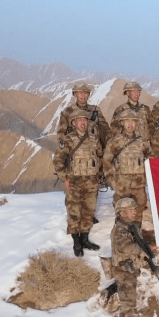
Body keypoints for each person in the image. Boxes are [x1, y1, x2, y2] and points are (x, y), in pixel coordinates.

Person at [53, 109, 103, 257]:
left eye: (85, 120)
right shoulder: (68, 140)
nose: (83, 123)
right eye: (79, 120)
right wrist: (65, 179)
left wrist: (98, 176)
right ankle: (76, 242)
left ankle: (85, 239)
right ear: (74, 123)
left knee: (89, 212)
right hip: (74, 183)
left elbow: (100, 158)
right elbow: (58, 161)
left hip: (91, 183)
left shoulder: (94, 139)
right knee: (74, 213)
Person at [110, 197, 157, 317]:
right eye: (130, 210)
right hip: (123, 271)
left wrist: (147, 248)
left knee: (129, 298)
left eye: (134, 209)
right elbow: (126, 246)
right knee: (128, 303)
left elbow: (137, 242)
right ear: (122, 213)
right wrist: (141, 251)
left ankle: (114, 287)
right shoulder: (119, 230)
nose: (134, 212)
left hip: (129, 270)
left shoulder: (130, 226)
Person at [103, 110, 151, 219]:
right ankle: (123, 234)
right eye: (127, 121)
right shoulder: (114, 141)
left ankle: (137, 234)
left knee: (139, 211)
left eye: (132, 121)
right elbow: (107, 162)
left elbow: (150, 159)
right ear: (122, 123)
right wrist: (111, 180)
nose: (130, 124)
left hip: (139, 185)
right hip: (122, 185)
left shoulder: (143, 141)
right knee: (122, 214)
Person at [56, 82, 111, 148]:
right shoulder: (68, 111)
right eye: (80, 93)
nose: (83, 96)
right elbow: (61, 132)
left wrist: (108, 146)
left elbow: (105, 129)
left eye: (85, 93)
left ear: (88, 95)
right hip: (74, 148)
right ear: (75, 94)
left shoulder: (95, 110)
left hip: (93, 148)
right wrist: (63, 147)